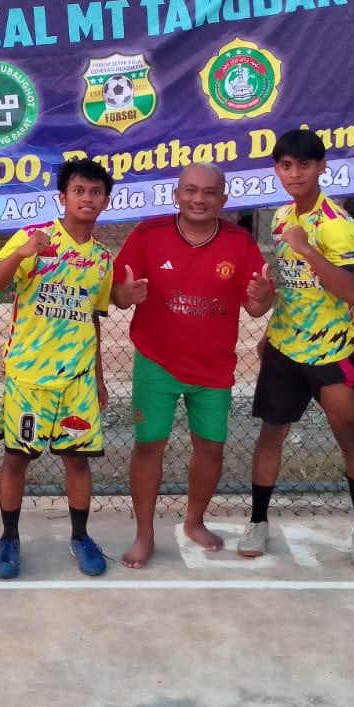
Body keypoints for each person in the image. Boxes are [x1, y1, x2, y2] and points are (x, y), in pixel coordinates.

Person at [110, 163, 270, 568]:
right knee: (149, 445)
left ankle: (194, 521)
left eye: (210, 192)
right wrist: (125, 295)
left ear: (224, 199)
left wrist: (264, 297)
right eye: (191, 190)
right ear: (177, 195)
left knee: (211, 447)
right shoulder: (149, 234)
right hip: (157, 361)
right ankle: (144, 534)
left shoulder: (239, 242)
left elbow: (256, 306)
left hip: (213, 368)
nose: (199, 199)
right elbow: (118, 295)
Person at [240, 129, 354, 569]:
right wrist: (267, 306)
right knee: (271, 435)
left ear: (321, 167)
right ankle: (257, 521)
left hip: (331, 352)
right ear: (276, 170)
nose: (295, 173)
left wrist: (309, 250)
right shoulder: (282, 217)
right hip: (284, 348)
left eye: (304, 164)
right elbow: (288, 287)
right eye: (286, 165)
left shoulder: (338, 224)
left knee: (349, 436)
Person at [0, 159, 115, 579]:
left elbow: (92, 317)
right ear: (63, 197)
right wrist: (20, 253)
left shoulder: (102, 259)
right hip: (29, 377)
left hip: (77, 381)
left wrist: (98, 377)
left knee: (77, 462)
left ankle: (80, 537)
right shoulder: (34, 238)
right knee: (17, 459)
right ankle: (9, 537)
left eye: (95, 192)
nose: (87, 198)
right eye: (79, 190)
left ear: (105, 201)